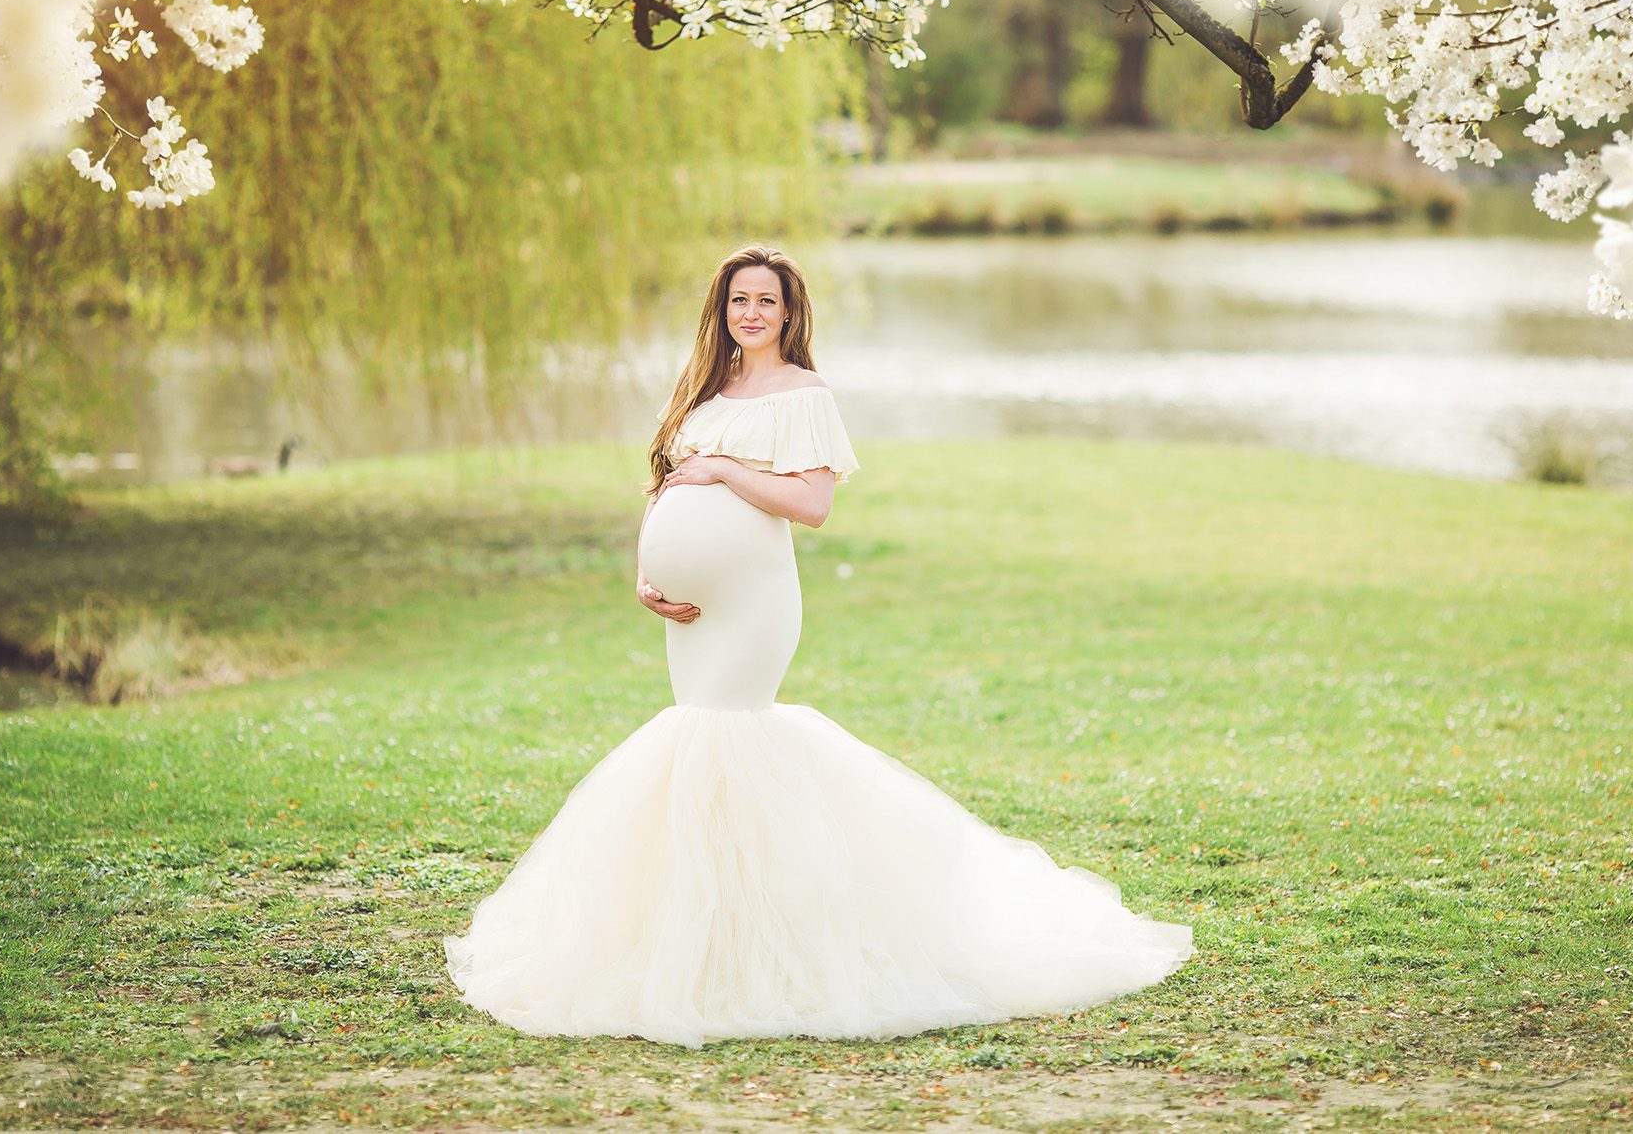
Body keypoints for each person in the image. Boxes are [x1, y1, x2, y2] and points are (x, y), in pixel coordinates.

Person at [442, 243, 1194, 1048]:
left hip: (756, 606)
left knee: (730, 737)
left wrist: (726, 468)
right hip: (687, 610)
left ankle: (778, 947)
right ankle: (709, 943)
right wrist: (645, 570)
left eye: (766, 300)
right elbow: (663, 482)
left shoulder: (805, 393)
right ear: (721, 310)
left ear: (790, 312)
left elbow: (812, 503)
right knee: (697, 749)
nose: (751, 313)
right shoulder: (704, 388)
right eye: (738, 301)